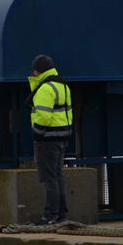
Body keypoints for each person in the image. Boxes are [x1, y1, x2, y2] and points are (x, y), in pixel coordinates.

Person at [28, 55, 73, 226]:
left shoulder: (45, 89)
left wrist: (37, 133)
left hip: (47, 139)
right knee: (58, 176)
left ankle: (50, 216)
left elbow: (43, 116)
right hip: (61, 138)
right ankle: (61, 214)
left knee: (48, 179)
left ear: (38, 71)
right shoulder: (63, 86)